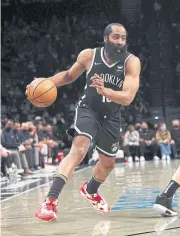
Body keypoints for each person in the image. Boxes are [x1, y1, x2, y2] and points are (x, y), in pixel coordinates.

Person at [26, 23, 141, 221]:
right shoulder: (89, 55)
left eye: (123, 38)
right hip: (88, 110)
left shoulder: (131, 62)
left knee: (108, 165)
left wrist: (105, 91)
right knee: (79, 150)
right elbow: (69, 76)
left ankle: (90, 190)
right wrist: (44, 82)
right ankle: (50, 202)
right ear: (105, 38)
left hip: (112, 116)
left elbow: (128, 97)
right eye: (115, 37)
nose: (120, 42)